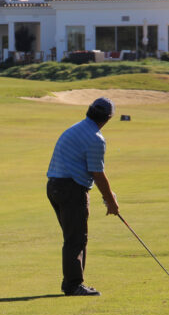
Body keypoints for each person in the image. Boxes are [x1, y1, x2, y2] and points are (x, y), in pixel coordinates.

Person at [46, 97, 119, 296]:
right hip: (70, 190)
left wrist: (108, 195)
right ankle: (73, 285)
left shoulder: (76, 128)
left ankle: (70, 282)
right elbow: (97, 173)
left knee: (72, 237)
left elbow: (91, 171)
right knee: (76, 239)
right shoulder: (95, 138)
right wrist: (111, 202)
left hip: (54, 186)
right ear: (108, 118)